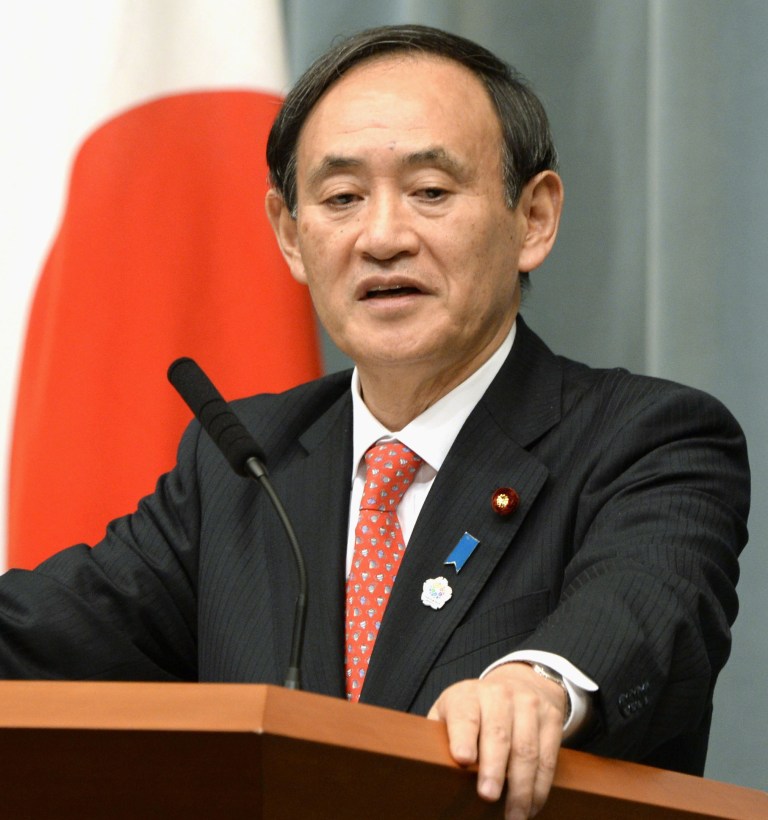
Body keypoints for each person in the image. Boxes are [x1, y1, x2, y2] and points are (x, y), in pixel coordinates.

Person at [0, 24, 749, 820]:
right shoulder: (242, 465)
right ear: (291, 235)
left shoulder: (650, 440)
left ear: (533, 217)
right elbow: (42, 637)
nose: (383, 237)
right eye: (342, 198)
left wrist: (536, 683)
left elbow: (642, 610)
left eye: (430, 191)